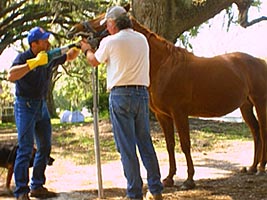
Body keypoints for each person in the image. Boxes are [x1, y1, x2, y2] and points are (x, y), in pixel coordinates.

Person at [80, 6, 163, 200]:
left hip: (120, 95)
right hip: (142, 94)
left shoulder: (110, 42)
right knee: (145, 142)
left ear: (114, 23)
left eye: (108, 24)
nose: (107, 28)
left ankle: (134, 193)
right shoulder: (142, 39)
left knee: (126, 146)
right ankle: (156, 188)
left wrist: (86, 50)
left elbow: (94, 61)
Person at [7, 26, 80, 200]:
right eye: (44, 40)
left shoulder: (48, 57)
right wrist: (32, 64)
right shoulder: (23, 58)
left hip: (41, 106)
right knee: (25, 149)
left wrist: (76, 48)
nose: (47, 42)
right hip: (25, 106)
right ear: (34, 44)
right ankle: (21, 192)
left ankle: (37, 185)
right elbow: (11, 75)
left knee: (45, 147)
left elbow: (67, 56)